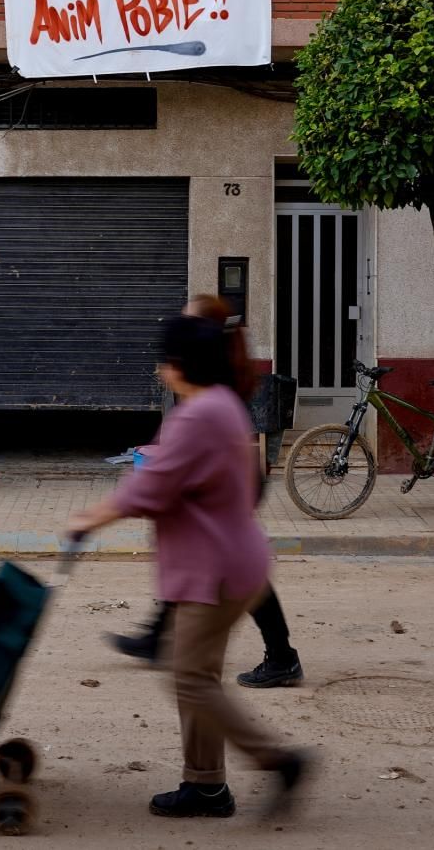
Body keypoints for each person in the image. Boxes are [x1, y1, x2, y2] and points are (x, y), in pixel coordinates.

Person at [68, 315, 311, 819]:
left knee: (189, 679)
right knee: (196, 673)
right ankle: (205, 786)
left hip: (214, 571)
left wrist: (89, 517)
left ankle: (277, 761)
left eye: (164, 361)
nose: (159, 370)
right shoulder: (222, 406)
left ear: (179, 365)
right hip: (229, 562)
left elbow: (150, 489)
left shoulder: (197, 417)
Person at [107, 295, 304, 689]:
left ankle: (282, 656)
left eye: (188, 321)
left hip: (232, 478)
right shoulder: (219, 365)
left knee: (235, 566)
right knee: (199, 549)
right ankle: (156, 635)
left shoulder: (216, 373)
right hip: (229, 475)